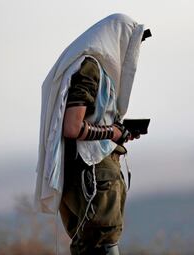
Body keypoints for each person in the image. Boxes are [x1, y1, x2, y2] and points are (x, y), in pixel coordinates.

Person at [34, 13, 151, 255]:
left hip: (91, 174)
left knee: (93, 245)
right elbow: (72, 127)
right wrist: (113, 132)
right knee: (100, 245)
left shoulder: (93, 69)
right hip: (92, 175)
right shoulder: (90, 68)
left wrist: (118, 133)